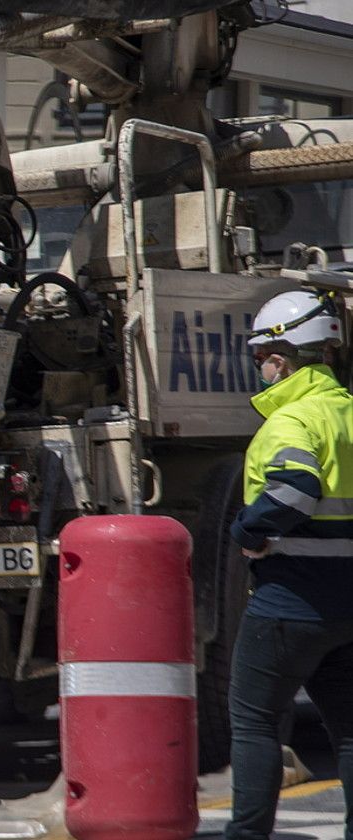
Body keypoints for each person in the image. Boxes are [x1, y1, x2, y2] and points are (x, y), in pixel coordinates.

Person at [226, 289, 353, 840]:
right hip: (350, 603)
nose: (260, 370)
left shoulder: (289, 421)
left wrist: (247, 532)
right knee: (349, 732)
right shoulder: (347, 414)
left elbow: (295, 487)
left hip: (290, 603)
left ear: (282, 357)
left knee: (253, 720)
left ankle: (246, 836)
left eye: (261, 359)